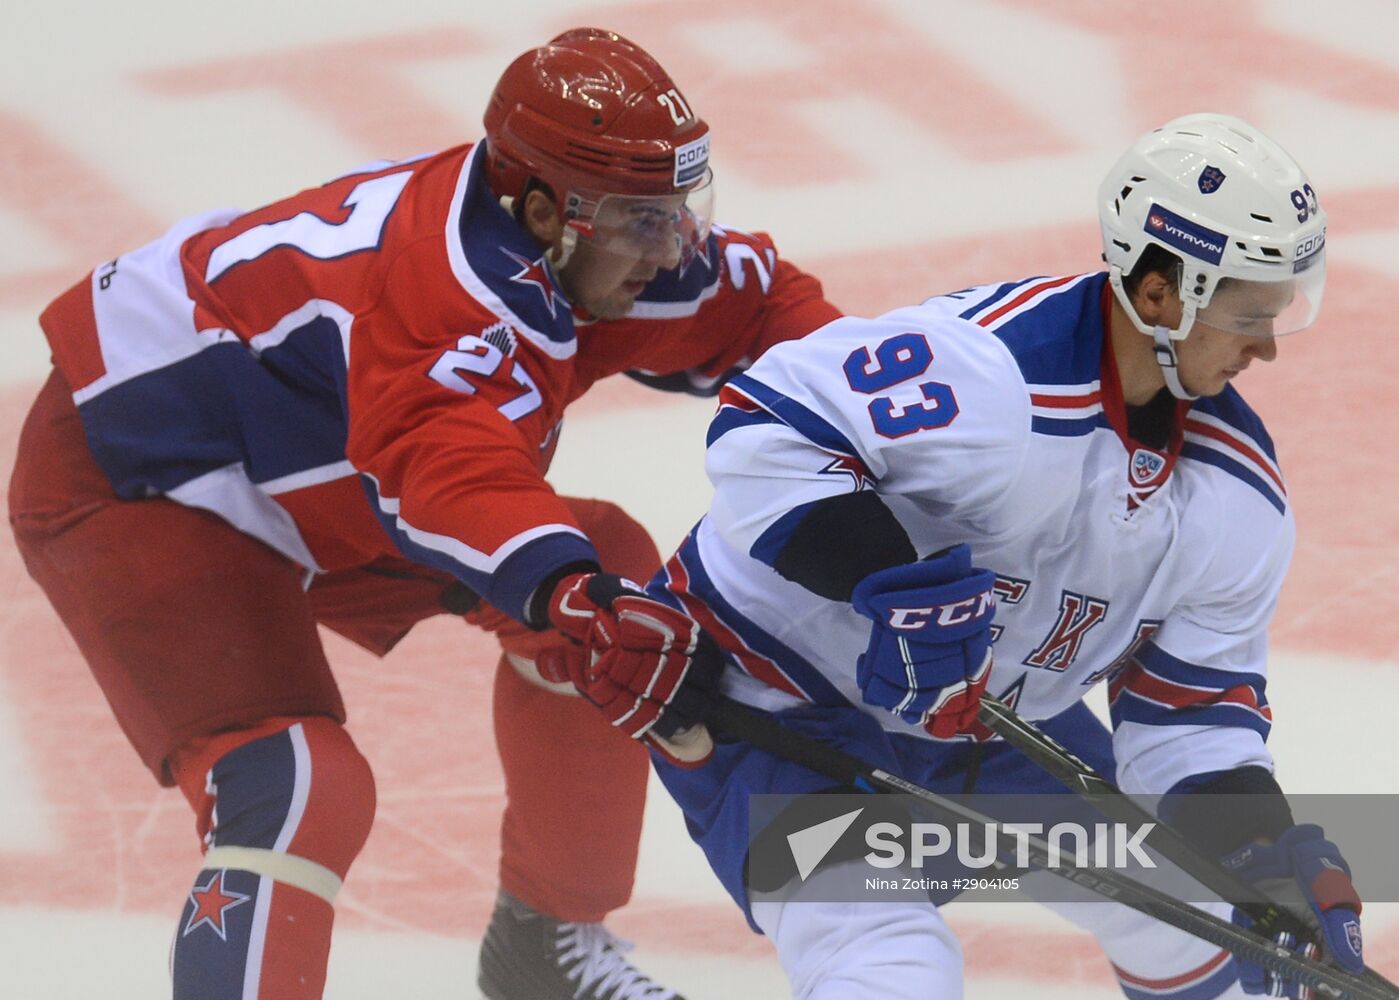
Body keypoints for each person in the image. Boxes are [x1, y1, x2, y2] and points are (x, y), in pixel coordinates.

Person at [7, 28, 838, 1000]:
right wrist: (568, 596)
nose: (673, 251)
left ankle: (544, 951)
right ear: (540, 214)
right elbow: (443, 472)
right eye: (639, 222)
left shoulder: (595, 247)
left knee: (603, 567)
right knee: (294, 786)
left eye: (679, 211)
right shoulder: (445, 296)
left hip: (325, 452)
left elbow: (780, 321)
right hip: (140, 470)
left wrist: (904, 451)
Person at [543, 113, 1370, 997]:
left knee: (1210, 915)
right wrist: (890, 587)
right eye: (1248, 314)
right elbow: (768, 426)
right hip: (777, 697)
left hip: (987, 719)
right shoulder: (991, 372)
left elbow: (1190, 713)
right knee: (894, 967)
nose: (1268, 347)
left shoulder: (1234, 496)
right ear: (1161, 296)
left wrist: (1259, 853)